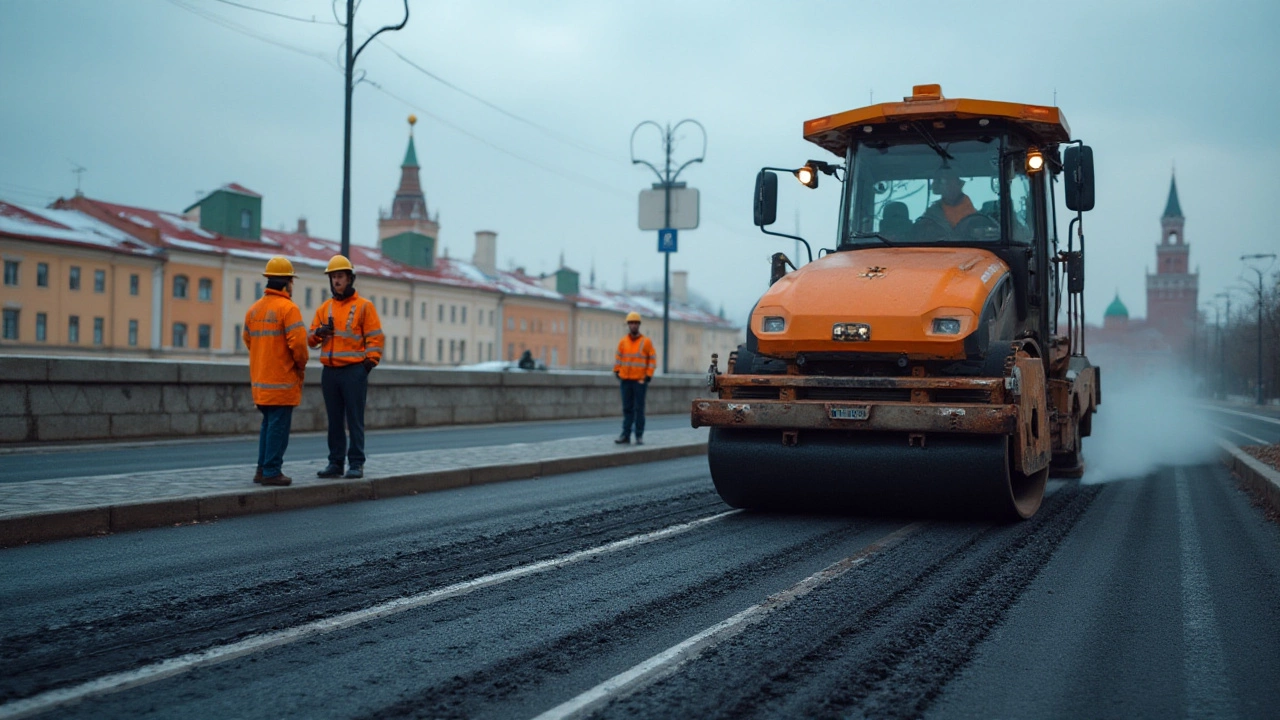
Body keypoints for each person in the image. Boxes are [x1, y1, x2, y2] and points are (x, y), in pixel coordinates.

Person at [308, 255, 383, 479]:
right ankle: (336, 462)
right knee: (334, 421)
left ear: (350, 278)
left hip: (353, 371)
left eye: (339, 276)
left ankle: (356, 463)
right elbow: (311, 340)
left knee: (354, 419)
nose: (336, 281)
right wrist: (319, 333)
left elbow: (375, 338)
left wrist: (368, 364)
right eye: (333, 277)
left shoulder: (364, 307)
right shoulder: (325, 308)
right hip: (330, 372)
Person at [243, 256, 309, 486]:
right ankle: (272, 471)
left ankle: (261, 469)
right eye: (291, 281)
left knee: (267, 425)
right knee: (278, 428)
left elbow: (248, 340)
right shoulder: (288, 309)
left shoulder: (253, 310)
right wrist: (300, 366)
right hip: (281, 382)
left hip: (261, 382)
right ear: (287, 282)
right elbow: (299, 346)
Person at [613, 311, 656, 445]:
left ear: (639, 325)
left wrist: (648, 375)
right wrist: (616, 371)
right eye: (631, 323)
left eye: (635, 323)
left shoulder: (646, 342)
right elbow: (618, 358)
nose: (633, 325)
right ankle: (625, 435)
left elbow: (652, 360)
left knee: (639, 409)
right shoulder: (623, 342)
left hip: (639, 380)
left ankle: (639, 435)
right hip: (625, 380)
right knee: (627, 409)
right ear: (628, 325)